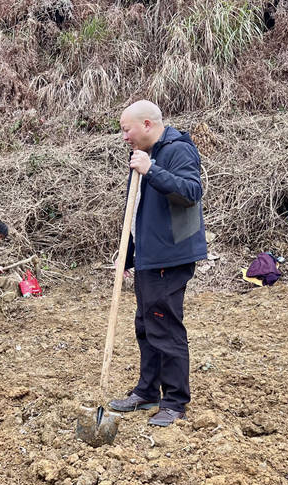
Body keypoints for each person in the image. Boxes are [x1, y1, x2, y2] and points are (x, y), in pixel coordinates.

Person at [108, 100, 207, 427]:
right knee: (146, 326)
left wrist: (152, 169)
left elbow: (191, 191)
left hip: (170, 256)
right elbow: (137, 211)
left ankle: (175, 402)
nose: (124, 136)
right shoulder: (141, 157)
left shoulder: (178, 150)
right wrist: (129, 254)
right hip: (149, 258)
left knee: (165, 327)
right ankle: (147, 391)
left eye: (127, 129)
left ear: (147, 124)